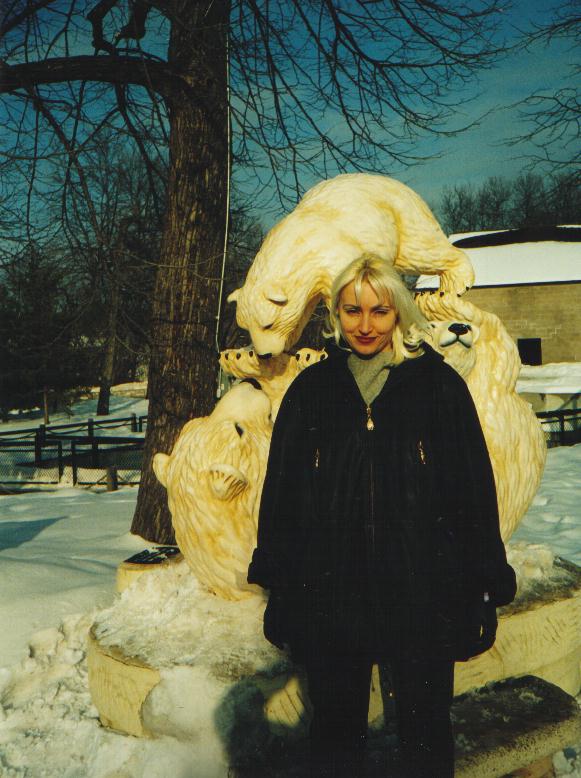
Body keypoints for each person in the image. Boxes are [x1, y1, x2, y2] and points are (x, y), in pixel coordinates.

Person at [247, 253, 516, 776]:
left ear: (399, 314)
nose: (365, 325)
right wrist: (281, 587)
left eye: (379, 311)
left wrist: (482, 584)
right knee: (335, 738)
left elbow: (472, 493)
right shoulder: (312, 391)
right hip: (333, 596)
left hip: (423, 593)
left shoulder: (438, 387)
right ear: (336, 315)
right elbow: (283, 498)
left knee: (425, 735)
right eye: (352, 311)